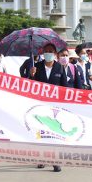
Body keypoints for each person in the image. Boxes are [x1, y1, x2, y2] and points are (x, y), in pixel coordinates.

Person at [29, 44, 69, 173]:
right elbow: (29, 85)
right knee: (40, 133)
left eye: (50, 51)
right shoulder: (37, 67)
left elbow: (65, 88)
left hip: (55, 108)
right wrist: (31, 75)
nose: (48, 53)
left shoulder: (60, 68)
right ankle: (41, 158)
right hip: (39, 105)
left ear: (55, 54)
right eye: (46, 51)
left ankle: (55, 161)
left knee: (53, 134)